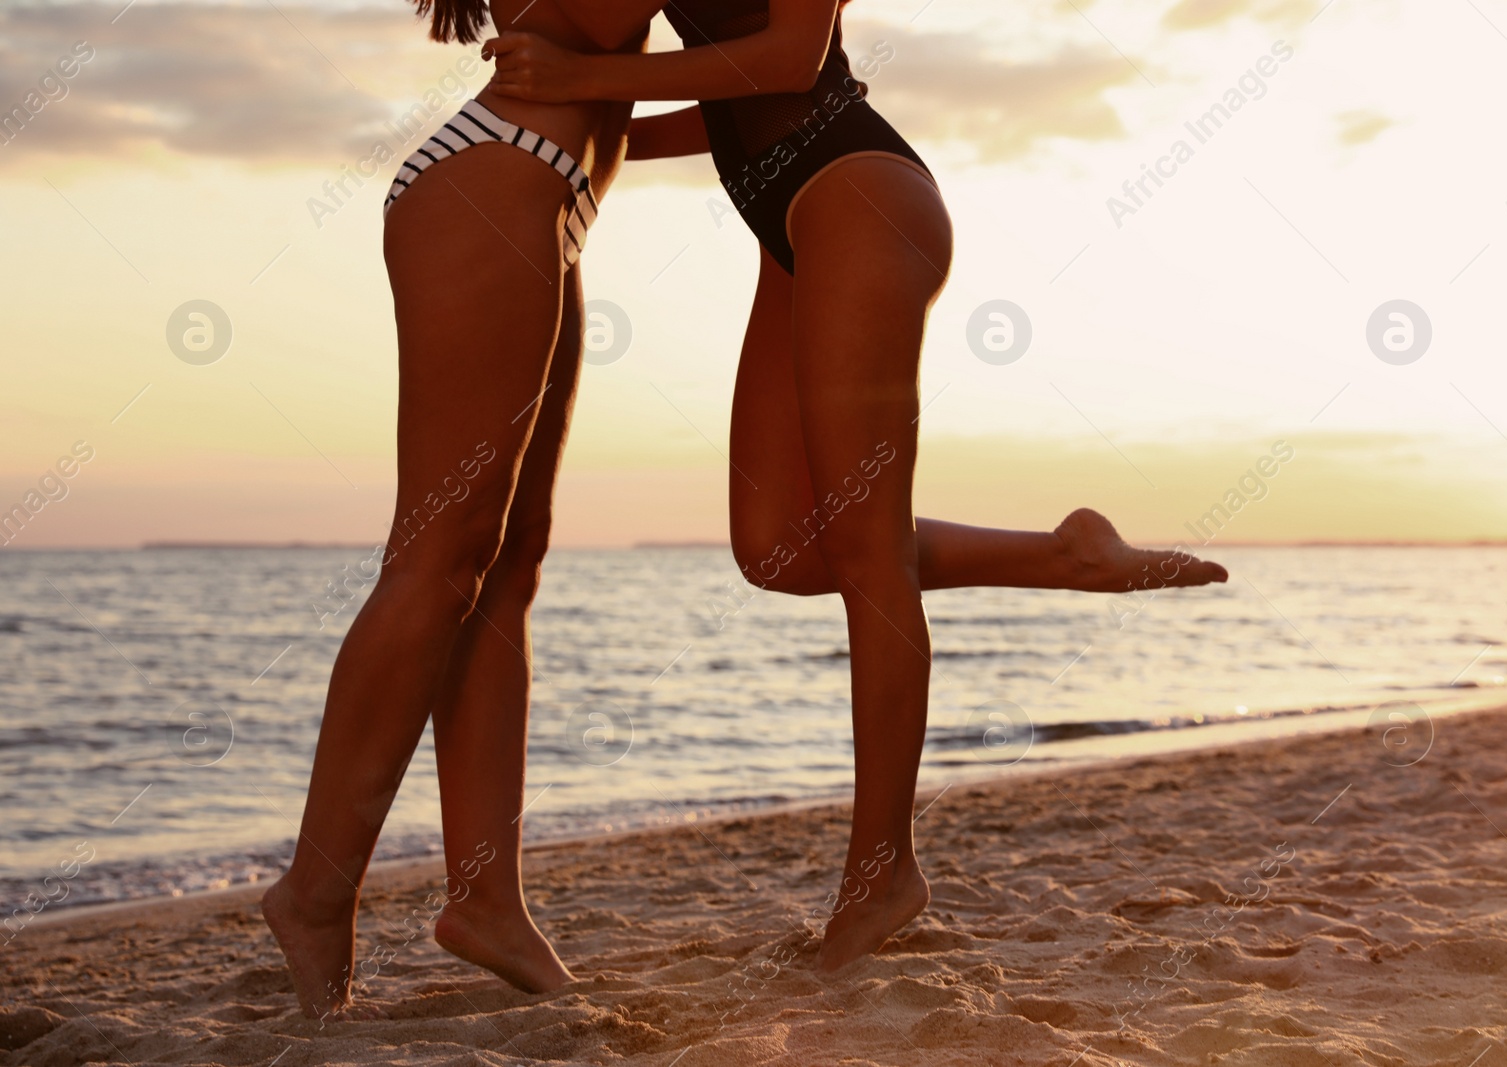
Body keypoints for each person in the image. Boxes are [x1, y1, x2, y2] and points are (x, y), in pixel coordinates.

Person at [482, 0, 1228, 973]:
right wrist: (561, 128)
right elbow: (709, 89)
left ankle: (884, 873)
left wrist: (582, 86)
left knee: (869, 553)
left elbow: (788, 57)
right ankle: (1066, 552)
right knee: (780, 549)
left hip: (859, 194)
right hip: (784, 219)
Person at [260, 0, 675, 1020]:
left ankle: (486, 896)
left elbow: (629, 81)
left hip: (549, 187)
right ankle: (313, 893)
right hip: (494, 175)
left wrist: (791, 86)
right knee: (440, 553)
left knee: (506, 562)